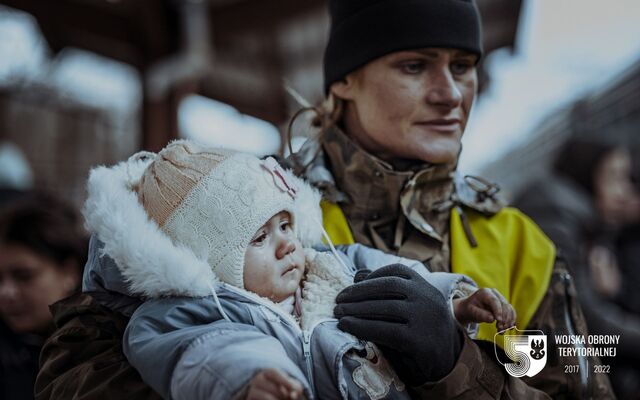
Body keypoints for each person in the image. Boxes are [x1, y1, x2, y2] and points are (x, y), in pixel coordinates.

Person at [282, 0, 615, 398]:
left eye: (462, 66)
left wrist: (458, 362)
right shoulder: (271, 220)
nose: (451, 94)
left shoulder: (519, 245)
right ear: (343, 79)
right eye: (415, 66)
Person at [89, 140, 515, 399]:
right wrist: (253, 382)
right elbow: (213, 352)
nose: (288, 243)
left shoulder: (329, 265)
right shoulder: (209, 314)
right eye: (259, 238)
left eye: (286, 224)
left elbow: (397, 278)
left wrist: (452, 303)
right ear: (207, 265)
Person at [515, 138, 640, 399]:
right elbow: (585, 325)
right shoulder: (556, 218)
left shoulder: (584, 222)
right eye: (614, 176)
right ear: (586, 173)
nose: (623, 191)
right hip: (538, 366)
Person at [0, 192, 86, 400]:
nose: (6, 293)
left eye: (24, 276)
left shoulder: (106, 352)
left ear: (69, 272)